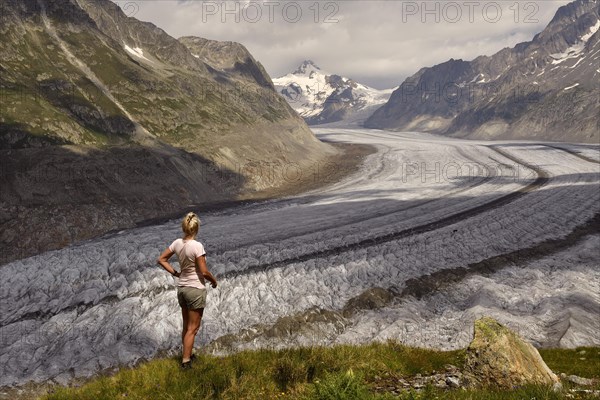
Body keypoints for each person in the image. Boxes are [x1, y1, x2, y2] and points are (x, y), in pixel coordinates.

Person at [157, 212, 218, 369]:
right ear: (196, 228)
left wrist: (176, 273)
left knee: (186, 326)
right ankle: (186, 362)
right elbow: (204, 271)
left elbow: (161, 259)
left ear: (184, 227)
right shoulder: (197, 246)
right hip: (195, 289)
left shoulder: (177, 243)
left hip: (182, 288)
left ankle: (188, 354)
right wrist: (213, 281)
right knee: (193, 328)